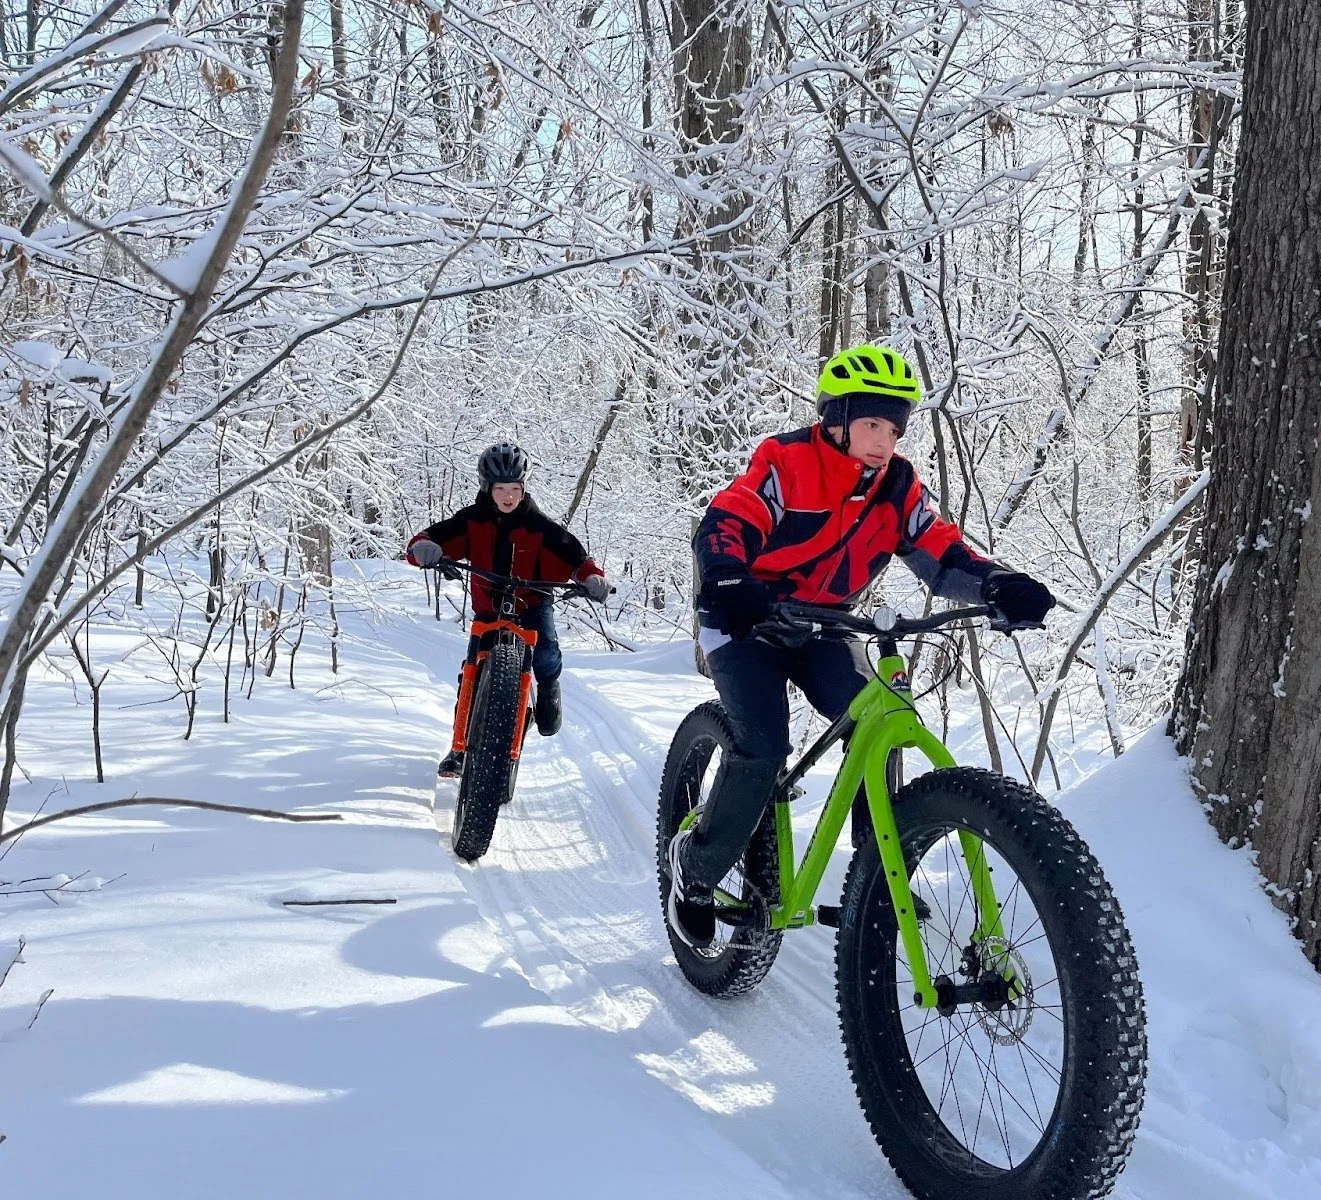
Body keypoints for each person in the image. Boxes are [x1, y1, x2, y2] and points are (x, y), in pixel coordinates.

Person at [666, 345, 1054, 946]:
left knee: (878, 718)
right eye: (872, 423)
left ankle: (875, 869)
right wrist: (727, 577)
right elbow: (731, 518)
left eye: (894, 427)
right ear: (837, 417)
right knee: (764, 743)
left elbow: (940, 549)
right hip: (745, 618)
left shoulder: (897, 486)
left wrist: (997, 582)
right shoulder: (787, 460)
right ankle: (694, 872)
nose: (883, 440)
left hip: (824, 623)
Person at [406, 442, 609, 776]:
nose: (508, 496)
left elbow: (574, 556)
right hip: (488, 610)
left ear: (524, 487)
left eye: (515, 488)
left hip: (532, 605)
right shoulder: (473, 520)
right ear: (488, 488)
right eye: (501, 488)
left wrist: (592, 577)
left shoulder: (539, 526)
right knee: (470, 672)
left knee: (545, 653)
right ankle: (458, 748)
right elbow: (434, 537)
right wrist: (424, 549)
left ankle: (548, 690)